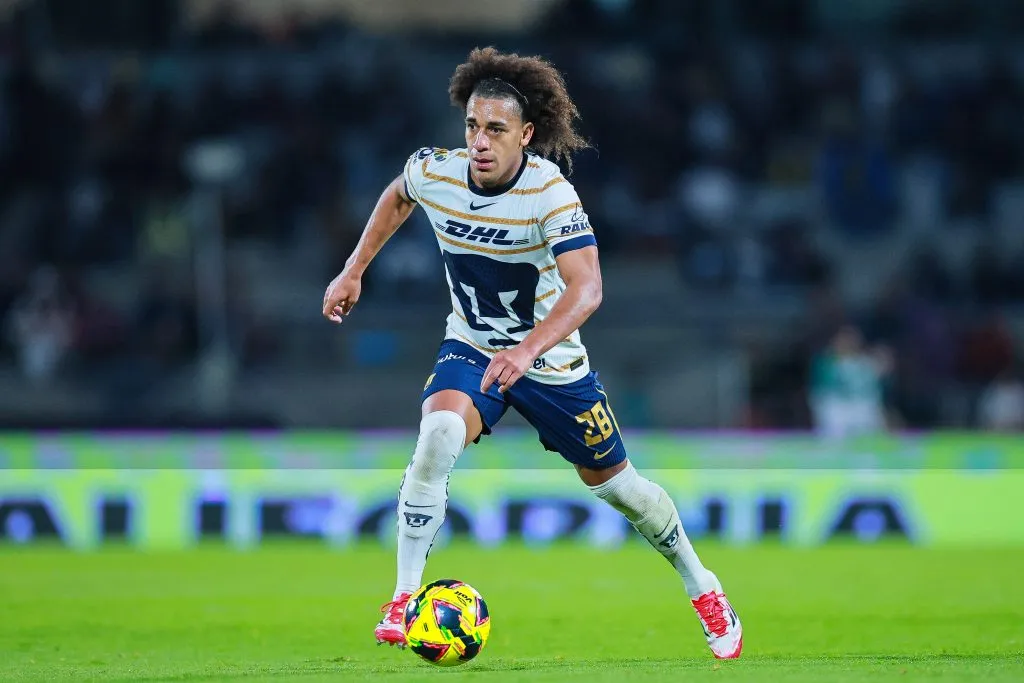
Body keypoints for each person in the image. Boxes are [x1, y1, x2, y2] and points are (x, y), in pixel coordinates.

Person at [322, 47, 742, 660]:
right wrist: (354, 269)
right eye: (472, 126)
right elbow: (398, 195)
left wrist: (525, 351)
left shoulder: (549, 193)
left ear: (527, 134)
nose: (480, 142)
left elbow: (588, 288)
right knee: (438, 431)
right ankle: (403, 597)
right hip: (471, 344)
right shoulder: (436, 171)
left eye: (495, 129)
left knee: (620, 489)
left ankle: (702, 584)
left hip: (551, 362)